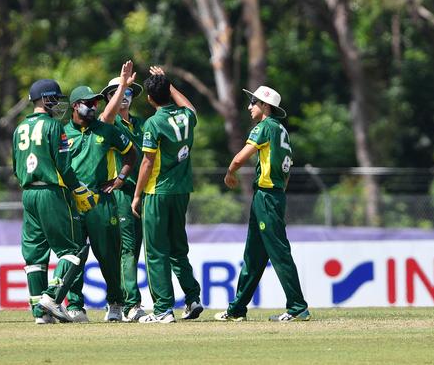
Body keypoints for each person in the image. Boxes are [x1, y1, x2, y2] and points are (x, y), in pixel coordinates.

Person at [214, 85, 310, 322]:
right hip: (271, 196)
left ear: (265, 106)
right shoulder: (281, 130)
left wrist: (230, 173)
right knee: (254, 256)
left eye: (253, 102)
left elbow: (240, 157)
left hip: (267, 196)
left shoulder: (264, 127)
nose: (249, 107)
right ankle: (237, 309)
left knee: (278, 251)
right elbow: (286, 169)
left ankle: (297, 306)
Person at [12, 79, 99, 324]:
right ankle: (51, 298)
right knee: (73, 249)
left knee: (35, 255)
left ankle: (40, 314)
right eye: (55, 98)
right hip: (51, 192)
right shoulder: (54, 126)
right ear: (44, 98)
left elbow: (15, 167)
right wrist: (78, 190)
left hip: (28, 193)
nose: (58, 103)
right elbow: (63, 165)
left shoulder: (19, 128)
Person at [131, 67, 203, 324]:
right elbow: (192, 108)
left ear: (150, 98)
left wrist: (137, 195)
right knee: (177, 249)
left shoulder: (153, 123)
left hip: (157, 192)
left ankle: (163, 309)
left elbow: (147, 163)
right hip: (182, 191)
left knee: (155, 252)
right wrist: (169, 83)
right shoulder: (185, 116)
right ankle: (192, 298)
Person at [64, 81, 137, 323]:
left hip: (101, 201)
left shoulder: (106, 130)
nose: (94, 106)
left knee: (108, 255)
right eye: (88, 103)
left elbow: (131, 154)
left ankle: (115, 303)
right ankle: (75, 306)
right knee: (75, 256)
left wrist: (120, 179)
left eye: (96, 102)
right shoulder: (63, 133)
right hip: (73, 203)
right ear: (75, 106)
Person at [99, 60, 147, 322]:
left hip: (140, 195)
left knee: (133, 250)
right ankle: (129, 304)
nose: (124, 97)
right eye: (117, 93)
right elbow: (106, 116)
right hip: (118, 192)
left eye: (128, 92)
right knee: (124, 249)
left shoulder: (141, 125)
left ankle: (117, 302)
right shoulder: (108, 124)